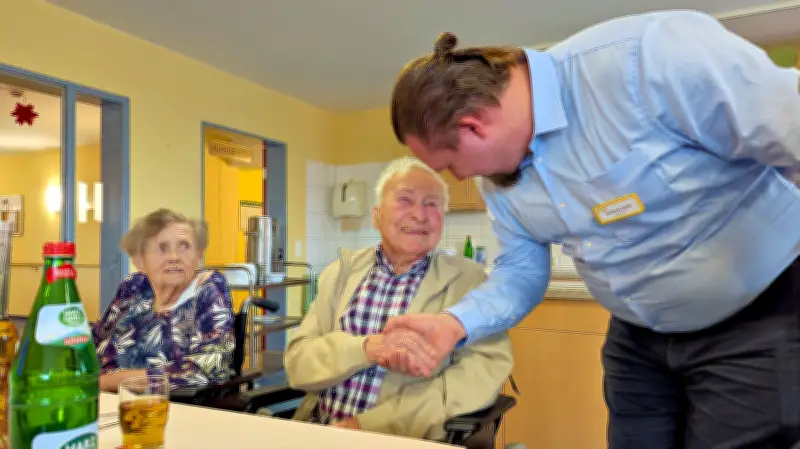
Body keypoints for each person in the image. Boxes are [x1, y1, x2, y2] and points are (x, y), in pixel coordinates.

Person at [382, 10, 800, 449]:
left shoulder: (647, 56)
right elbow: (521, 274)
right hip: (637, 339)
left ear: (472, 127)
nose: (458, 179)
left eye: (449, 166)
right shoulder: (501, 186)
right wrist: (455, 324)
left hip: (757, 319)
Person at [283, 157, 512, 440]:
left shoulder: (471, 283)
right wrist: (368, 348)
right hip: (320, 430)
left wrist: (367, 425)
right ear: (376, 215)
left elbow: (479, 378)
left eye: (432, 204)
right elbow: (298, 365)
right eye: (405, 199)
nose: (420, 214)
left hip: (402, 439)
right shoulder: (339, 274)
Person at [92, 208, 235, 392]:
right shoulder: (133, 286)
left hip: (161, 406)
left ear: (198, 256)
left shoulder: (208, 288)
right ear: (139, 260)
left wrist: (106, 382)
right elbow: (96, 337)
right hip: (97, 399)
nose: (174, 257)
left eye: (184, 246)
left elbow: (211, 367)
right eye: (162, 248)